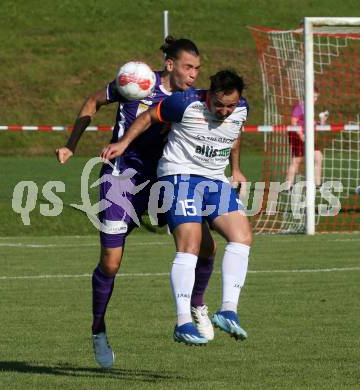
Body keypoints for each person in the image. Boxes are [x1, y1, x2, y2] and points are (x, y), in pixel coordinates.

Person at [56, 37, 219, 367]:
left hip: (166, 178)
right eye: (188, 67)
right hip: (121, 179)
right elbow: (92, 101)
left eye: (198, 69)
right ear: (170, 65)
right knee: (111, 263)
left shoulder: (193, 100)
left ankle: (197, 305)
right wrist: (71, 144)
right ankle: (98, 330)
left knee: (206, 247)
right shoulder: (135, 80)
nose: (194, 75)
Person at [103, 69, 252, 345]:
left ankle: (229, 310)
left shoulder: (240, 110)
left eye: (230, 105)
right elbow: (148, 117)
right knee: (191, 246)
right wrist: (123, 143)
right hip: (178, 175)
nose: (224, 111)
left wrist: (237, 169)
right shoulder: (184, 102)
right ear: (210, 95)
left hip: (215, 179)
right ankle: (183, 322)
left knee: (242, 237)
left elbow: (235, 132)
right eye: (219, 105)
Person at [286, 88, 329, 190]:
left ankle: (317, 185)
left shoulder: (310, 107)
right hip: (297, 136)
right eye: (314, 97)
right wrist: (301, 134)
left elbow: (312, 123)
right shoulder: (300, 107)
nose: (315, 99)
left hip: (307, 136)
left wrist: (322, 121)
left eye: (316, 97)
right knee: (297, 160)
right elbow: (293, 122)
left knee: (318, 157)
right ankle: (287, 186)